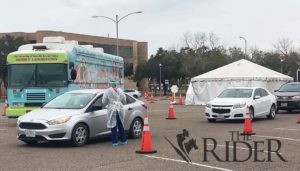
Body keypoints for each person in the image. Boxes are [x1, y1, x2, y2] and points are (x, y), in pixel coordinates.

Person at [102, 81, 127, 147]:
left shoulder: (107, 91)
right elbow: (124, 100)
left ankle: (115, 142)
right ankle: (124, 140)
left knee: (113, 126)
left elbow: (103, 101)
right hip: (120, 110)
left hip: (112, 110)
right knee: (121, 124)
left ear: (110, 85)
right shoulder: (120, 91)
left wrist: (109, 103)